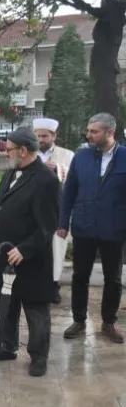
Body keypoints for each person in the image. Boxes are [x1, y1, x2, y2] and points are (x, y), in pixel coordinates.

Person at [0, 127, 58, 377]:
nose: (6, 154)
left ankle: (38, 356)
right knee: (6, 305)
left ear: (23, 151)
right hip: (4, 256)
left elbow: (48, 225)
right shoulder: (10, 174)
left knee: (35, 309)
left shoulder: (46, 180)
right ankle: (7, 345)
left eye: (9, 149)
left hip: (30, 259)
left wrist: (25, 248)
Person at [59, 112, 126, 344]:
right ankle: (78, 319)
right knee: (80, 276)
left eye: (93, 131)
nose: (88, 135)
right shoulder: (81, 157)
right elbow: (68, 193)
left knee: (114, 279)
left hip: (114, 229)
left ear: (109, 132)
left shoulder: (125, 157)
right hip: (84, 227)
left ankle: (109, 321)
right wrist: (62, 223)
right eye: (88, 130)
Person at [33, 118, 75, 304]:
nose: (40, 140)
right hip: (32, 210)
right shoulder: (29, 152)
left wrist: (58, 168)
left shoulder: (67, 155)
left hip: (58, 209)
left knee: (56, 250)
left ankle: (53, 288)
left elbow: (74, 179)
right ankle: (34, 286)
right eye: (38, 136)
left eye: (44, 136)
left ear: (54, 136)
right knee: (34, 247)